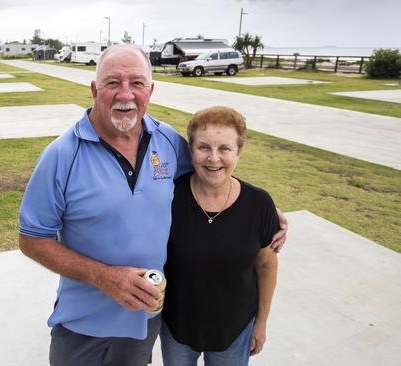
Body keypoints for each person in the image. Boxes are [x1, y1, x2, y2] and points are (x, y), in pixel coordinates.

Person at [18, 44, 287, 366]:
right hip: (83, 324)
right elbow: (32, 239)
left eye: (137, 83)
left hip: (145, 321)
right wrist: (105, 277)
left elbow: (212, 174)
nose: (125, 94)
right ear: (94, 89)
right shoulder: (61, 155)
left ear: (151, 90)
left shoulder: (168, 142)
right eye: (113, 83)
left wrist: (261, 210)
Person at [160, 106, 280, 366]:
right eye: (203, 147)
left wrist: (261, 323)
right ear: (190, 150)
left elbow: (267, 264)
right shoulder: (168, 196)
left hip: (234, 332)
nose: (213, 158)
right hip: (177, 329)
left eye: (225, 148)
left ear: (239, 151)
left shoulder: (259, 203)